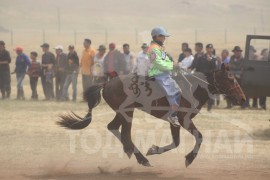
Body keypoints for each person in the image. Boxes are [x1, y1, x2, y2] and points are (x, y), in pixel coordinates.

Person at [147, 26, 181, 127]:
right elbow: (158, 64)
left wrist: (173, 63)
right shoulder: (153, 49)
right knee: (176, 91)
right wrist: (172, 65)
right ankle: (173, 115)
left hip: (165, 73)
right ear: (157, 37)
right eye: (163, 36)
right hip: (159, 74)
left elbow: (164, 60)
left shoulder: (160, 48)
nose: (164, 38)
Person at [191, 44, 217, 111]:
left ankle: (209, 106)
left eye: (211, 48)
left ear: (212, 49)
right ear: (206, 49)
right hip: (201, 76)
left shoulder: (214, 58)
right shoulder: (201, 57)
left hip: (209, 77)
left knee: (210, 92)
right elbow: (197, 66)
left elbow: (215, 68)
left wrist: (210, 61)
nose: (209, 50)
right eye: (208, 48)